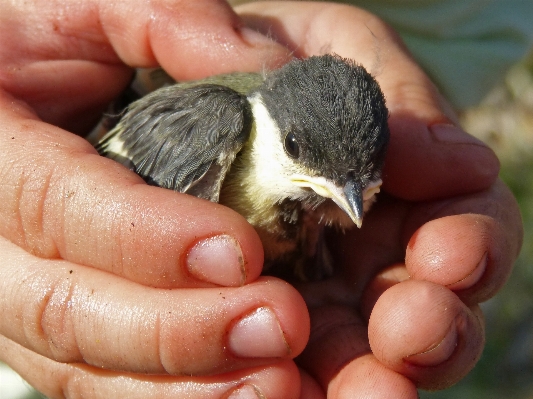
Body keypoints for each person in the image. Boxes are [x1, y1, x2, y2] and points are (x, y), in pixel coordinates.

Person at [0, 1, 523, 398]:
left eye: (357, 182)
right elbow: (100, 174)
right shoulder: (217, 125)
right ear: (276, 128)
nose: (346, 199)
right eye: (298, 154)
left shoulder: (341, 190)